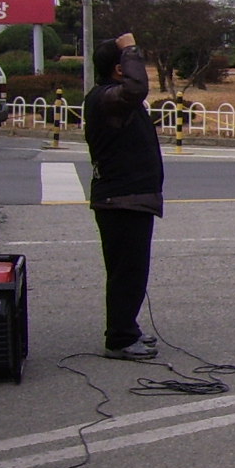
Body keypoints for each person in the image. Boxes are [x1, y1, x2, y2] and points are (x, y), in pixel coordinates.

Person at [84, 32, 164, 360]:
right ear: (119, 69)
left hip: (128, 197)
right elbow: (136, 89)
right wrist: (130, 48)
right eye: (129, 63)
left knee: (131, 271)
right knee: (126, 273)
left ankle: (126, 327)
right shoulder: (107, 98)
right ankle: (119, 337)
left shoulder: (109, 98)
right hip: (121, 198)